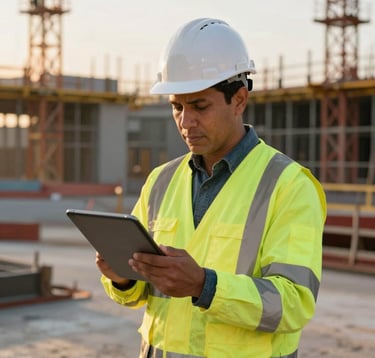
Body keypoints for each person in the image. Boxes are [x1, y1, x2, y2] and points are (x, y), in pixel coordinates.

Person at [96, 18, 326, 358]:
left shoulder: (288, 186)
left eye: (200, 106)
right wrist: (122, 279)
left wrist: (205, 286)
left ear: (239, 99)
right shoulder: (160, 182)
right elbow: (140, 293)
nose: (186, 122)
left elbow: (293, 304)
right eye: (177, 107)